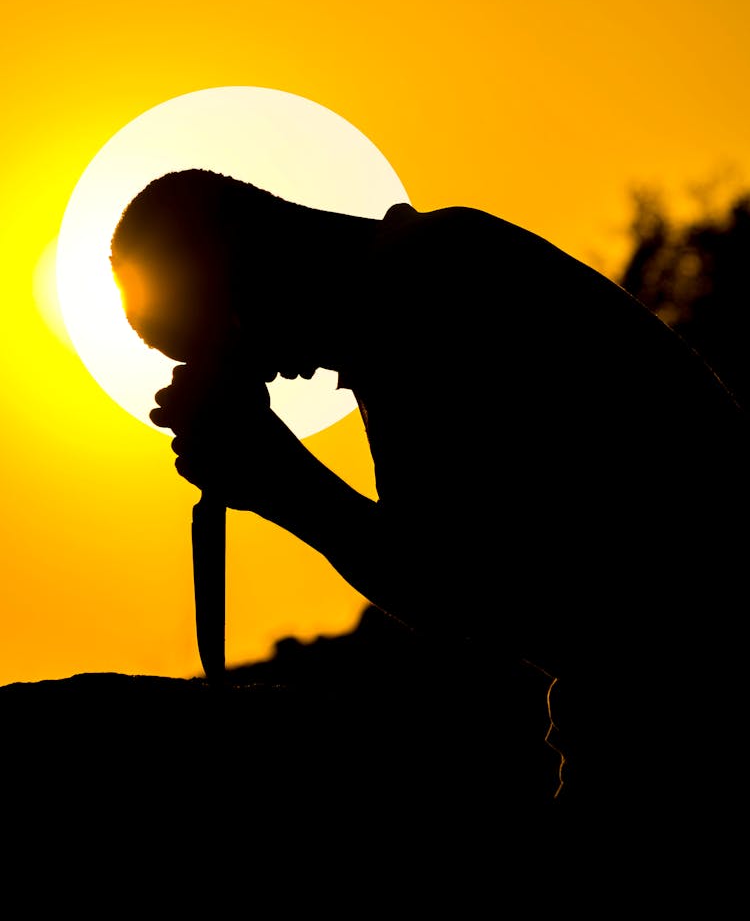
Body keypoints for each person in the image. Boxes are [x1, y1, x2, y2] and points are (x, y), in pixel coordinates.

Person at [110, 167, 747, 840]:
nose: (254, 369)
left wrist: (280, 481)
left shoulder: (427, 287)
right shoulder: (422, 273)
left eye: (223, 336)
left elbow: (462, 594)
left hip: (685, 739)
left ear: (239, 256)